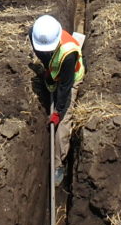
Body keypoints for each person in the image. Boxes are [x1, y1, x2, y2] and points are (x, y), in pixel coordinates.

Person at [29, 15, 85, 185]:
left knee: (62, 126)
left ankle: (58, 164)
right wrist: (48, 71)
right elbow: (43, 57)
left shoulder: (68, 53)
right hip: (56, 72)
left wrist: (58, 112)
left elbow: (65, 87)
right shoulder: (35, 34)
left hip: (71, 78)